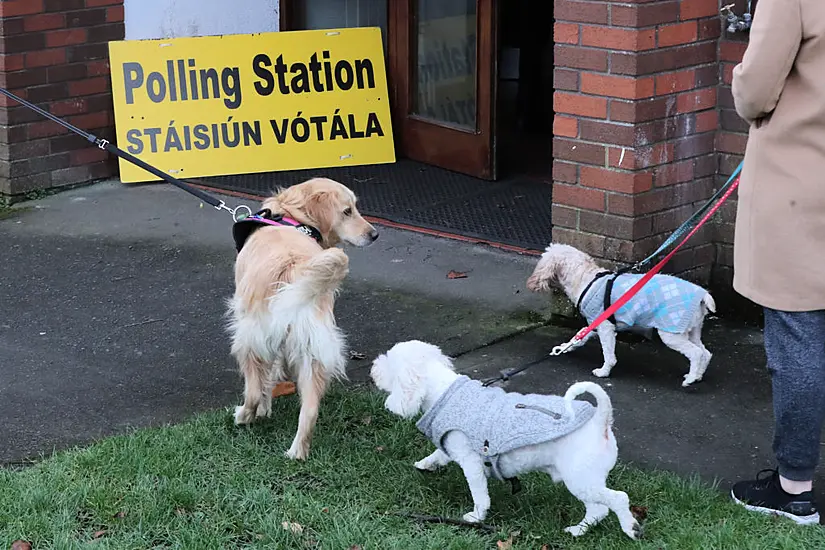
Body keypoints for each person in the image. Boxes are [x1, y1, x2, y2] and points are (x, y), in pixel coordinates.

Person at [730, 0, 825, 525]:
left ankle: (794, 490)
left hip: (801, 185)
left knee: (799, 336)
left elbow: (755, 90)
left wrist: (740, 77)